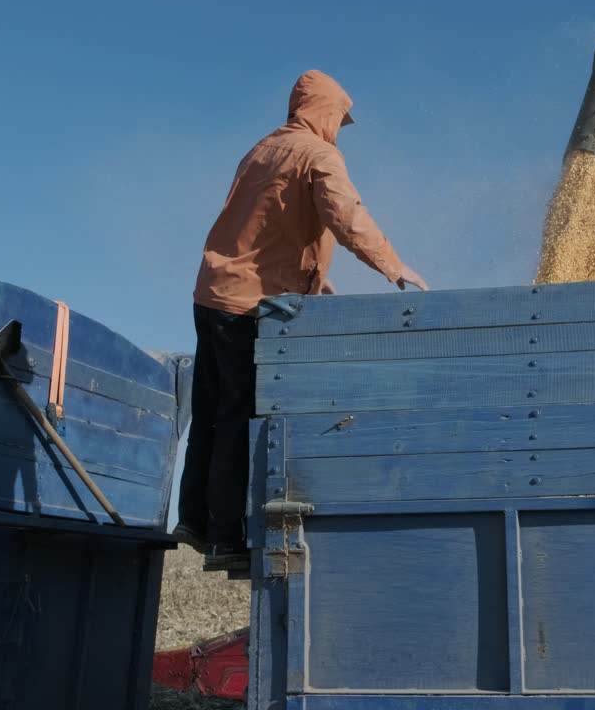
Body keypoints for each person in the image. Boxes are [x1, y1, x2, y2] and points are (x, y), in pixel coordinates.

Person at [177, 70, 427, 570]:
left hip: (213, 294)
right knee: (240, 416)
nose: (341, 126)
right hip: (247, 305)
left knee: (209, 411)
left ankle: (194, 519)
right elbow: (345, 214)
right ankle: (227, 538)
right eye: (339, 116)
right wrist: (392, 264)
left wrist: (314, 280)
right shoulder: (319, 154)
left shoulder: (263, 149)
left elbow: (265, 227)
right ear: (324, 110)